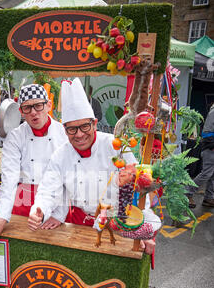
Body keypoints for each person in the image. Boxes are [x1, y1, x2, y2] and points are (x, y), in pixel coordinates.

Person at [28, 78, 157, 255]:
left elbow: (139, 189)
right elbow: (48, 189)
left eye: (85, 126)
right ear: (65, 130)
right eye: (72, 129)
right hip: (78, 225)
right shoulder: (61, 154)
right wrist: (39, 211)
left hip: (118, 223)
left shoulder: (116, 147)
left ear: (95, 123)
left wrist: (143, 228)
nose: (79, 134)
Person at [0, 83, 68, 246]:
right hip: (23, 201)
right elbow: (9, 178)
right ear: (21, 112)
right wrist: (2, 216)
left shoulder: (64, 134)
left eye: (38, 106)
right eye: (27, 108)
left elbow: (69, 177)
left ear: (49, 105)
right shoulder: (15, 136)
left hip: (57, 201)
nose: (33, 112)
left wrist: (60, 214)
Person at [187, 102, 214, 208]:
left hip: (212, 147)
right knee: (206, 174)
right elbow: (207, 132)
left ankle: (209, 198)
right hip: (211, 148)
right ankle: (187, 192)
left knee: (213, 175)